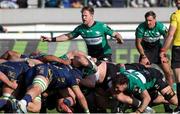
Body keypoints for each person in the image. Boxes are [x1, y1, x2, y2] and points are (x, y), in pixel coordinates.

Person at [41, 6, 124, 62]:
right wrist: (51, 39)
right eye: (82, 16)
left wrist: (119, 38)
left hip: (104, 55)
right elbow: (67, 36)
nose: (83, 18)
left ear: (91, 15)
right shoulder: (80, 28)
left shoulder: (101, 26)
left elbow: (116, 34)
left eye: (85, 16)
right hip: (91, 57)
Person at [111, 63, 178, 113]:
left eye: (117, 87)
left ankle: (168, 100)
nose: (116, 89)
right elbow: (121, 65)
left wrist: (138, 112)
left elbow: (147, 98)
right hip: (146, 81)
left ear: (124, 84)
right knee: (147, 103)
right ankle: (165, 100)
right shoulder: (122, 75)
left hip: (155, 77)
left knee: (174, 101)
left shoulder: (135, 84)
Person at [135, 11, 174, 89]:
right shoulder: (141, 27)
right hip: (146, 50)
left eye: (150, 20)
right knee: (144, 73)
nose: (148, 22)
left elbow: (168, 39)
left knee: (168, 72)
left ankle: (171, 93)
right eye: (146, 20)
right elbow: (138, 43)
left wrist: (163, 52)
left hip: (158, 49)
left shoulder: (161, 26)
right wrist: (143, 56)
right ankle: (147, 94)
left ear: (155, 19)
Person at [160, 0, 180, 112]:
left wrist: (163, 50)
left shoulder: (175, 15)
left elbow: (171, 34)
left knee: (179, 80)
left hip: (178, 48)